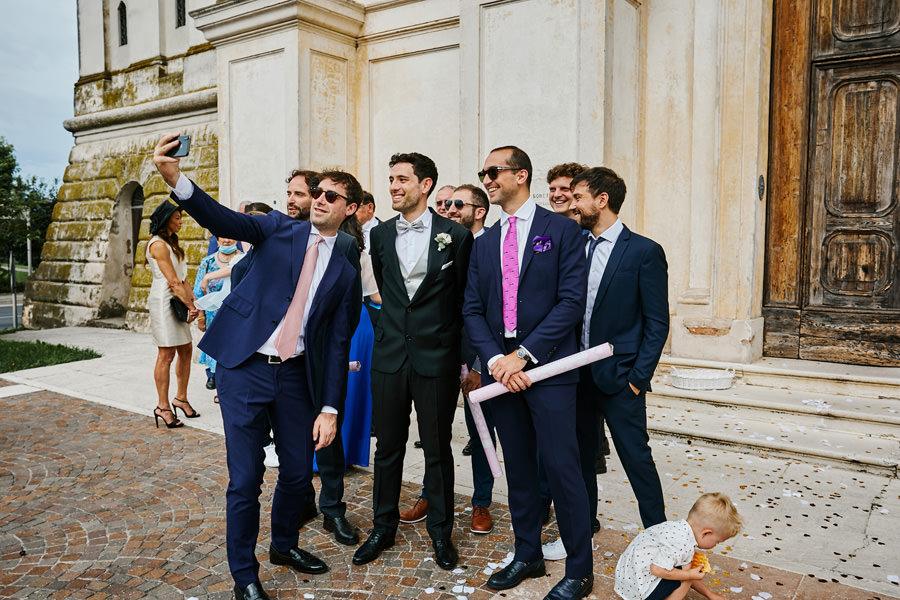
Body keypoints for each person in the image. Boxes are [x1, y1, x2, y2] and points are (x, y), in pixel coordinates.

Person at [153, 133, 361, 600]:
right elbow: (221, 218)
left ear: (349, 208)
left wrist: (330, 407)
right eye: (317, 192)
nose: (320, 199)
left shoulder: (345, 271)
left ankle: (284, 546)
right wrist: (177, 180)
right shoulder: (278, 228)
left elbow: (337, 342)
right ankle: (244, 576)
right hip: (244, 368)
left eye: (331, 196)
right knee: (246, 479)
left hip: (296, 376)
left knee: (297, 474)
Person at [463, 146, 592, 600]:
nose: (486, 179)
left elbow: (571, 302)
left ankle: (579, 570)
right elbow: (472, 310)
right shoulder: (484, 243)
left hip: (550, 370)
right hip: (501, 373)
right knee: (517, 468)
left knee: (561, 470)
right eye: (483, 172)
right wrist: (497, 362)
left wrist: (524, 355)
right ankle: (527, 553)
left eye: (493, 171)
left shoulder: (562, 230)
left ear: (521, 175)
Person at [353, 152, 473, 571]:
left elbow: (463, 300)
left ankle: (441, 532)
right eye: (391, 179)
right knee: (387, 447)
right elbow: (389, 291)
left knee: (438, 449)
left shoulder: (456, 236)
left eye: (402, 179)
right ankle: (382, 527)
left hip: (437, 357)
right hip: (389, 356)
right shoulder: (381, 235)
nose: (393, 186)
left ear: (425, 185)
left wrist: (464, 359)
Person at [570, 166, 669, 530]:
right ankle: (584, 525)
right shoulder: (573, 247)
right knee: (581, 459)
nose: (573, 205)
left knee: (636, 459)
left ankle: (658, 534)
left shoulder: (644, 251)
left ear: (602, 199)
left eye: (578, 197)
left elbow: (657, 323)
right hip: (576, 377)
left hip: (621, 378)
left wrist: (637, 379)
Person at [400, 184, 495, 534]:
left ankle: (481, 502)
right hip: (436, 355)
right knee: (434, 431)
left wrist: (479, 365)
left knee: (481, 432)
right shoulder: (437, 242)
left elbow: (491, 310)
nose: (448, 209)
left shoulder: (491, 246)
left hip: (476, 358)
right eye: (443, 203)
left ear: (478, 211)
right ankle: (431, 494)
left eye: (456, 203)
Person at [615, 493, 743, 600]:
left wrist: (710, 594)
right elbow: (657, 570)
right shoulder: (682, 543)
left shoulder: (677, 528)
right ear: (706, 533)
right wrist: (689, 575)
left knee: (687, 572)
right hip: (640, 590)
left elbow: (686, 571)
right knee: (687, 576)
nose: (715, 545)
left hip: (627, 582)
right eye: (717, 542)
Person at [145, 200, 199, 429]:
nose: (181, 221)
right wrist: (189, 306)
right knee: (166, 355)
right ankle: (163, 406)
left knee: (186, 349)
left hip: (178, 298)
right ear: (166, 220)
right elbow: (173, 282)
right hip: (164, 302)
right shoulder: (157, 245)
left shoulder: (172, 244)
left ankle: (181, 398)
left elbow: (183, 279)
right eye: (177, 218)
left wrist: (195, 302)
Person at [194, 236, 243, 393]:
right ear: (217, 240)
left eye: (231, 237)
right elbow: (198, 291)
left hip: (236, 317)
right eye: (223, 237)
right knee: (214, 349)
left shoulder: (243, 259)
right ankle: (214, 378)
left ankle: (224, 389)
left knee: (231, 351)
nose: (227, 240)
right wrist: (201, 317)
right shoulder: (207, 262)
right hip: (212, 317)